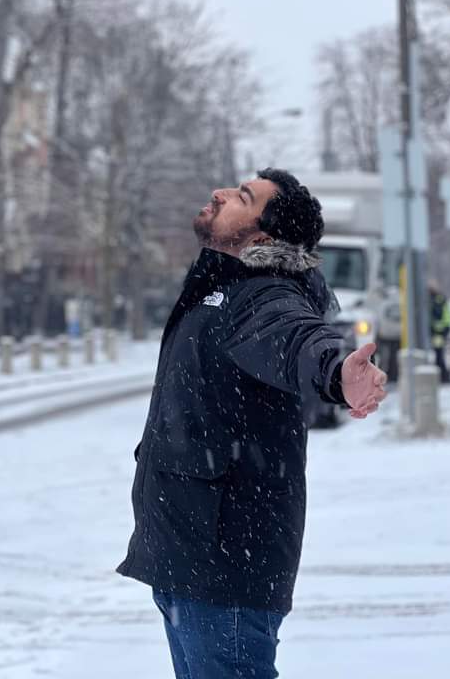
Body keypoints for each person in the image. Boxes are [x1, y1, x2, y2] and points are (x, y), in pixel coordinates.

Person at [116, 168, 388, 679]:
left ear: (262, 238)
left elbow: (298, 338)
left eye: (243, 197)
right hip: (191, 558)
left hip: (225, 566)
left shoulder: (262, 294)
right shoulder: (220, 287)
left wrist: (337, 374)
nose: (220, 193)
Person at [428, 281, 450, 384]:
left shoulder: (437, 300)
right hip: (441, 330)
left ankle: (444, 376)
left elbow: (440, 315)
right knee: (439, 353)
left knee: (439, 354)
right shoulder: (439, 298)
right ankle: (444, 376)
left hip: (439, 332)